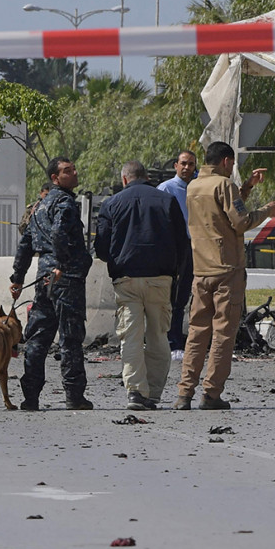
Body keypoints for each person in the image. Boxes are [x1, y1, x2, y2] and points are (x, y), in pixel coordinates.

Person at [173, 141, 275, 411]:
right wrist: (267, 211)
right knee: (222, 335)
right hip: (227, 272)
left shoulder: (194, 186)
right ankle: (211, 394)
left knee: (196, 333)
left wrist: (247, 188)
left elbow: (221, 213)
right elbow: (240, 222)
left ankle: (184, 393)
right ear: (227, 162)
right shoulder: (224, 185)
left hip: (202, 271)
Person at [95, 160, 188, 410]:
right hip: (160, 279)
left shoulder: (111, 204)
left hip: (126, 280)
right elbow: (183, 244)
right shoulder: (166, 201)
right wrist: (177, 277)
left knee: (131, 338)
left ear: (125, 179)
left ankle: (136, 392)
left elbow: (101, 248)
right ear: (146, 177)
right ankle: (154, 393)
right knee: (158, 336)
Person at [10, 156, 93, 411]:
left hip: (44, 277)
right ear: (55, 178)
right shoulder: (65, 202)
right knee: (70, 337)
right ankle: (74, 396)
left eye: (74, 169)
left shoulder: (39, 206)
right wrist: (63, 264)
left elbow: (25, 245)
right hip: (64, 277)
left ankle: (31, 396)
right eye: (68, 171)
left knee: (38, 337)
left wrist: (17, 278)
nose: (75, 173)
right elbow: (58, 233)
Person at [157, 149, 197, 360]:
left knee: (185, 296)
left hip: (196, 246)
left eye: (190, 164)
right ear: (176, 165)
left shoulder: (198, 186)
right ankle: (171, 341)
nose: (186, 168)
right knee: (172, 295)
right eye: (183, 163)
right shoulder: (166, 189)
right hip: (175, 247)